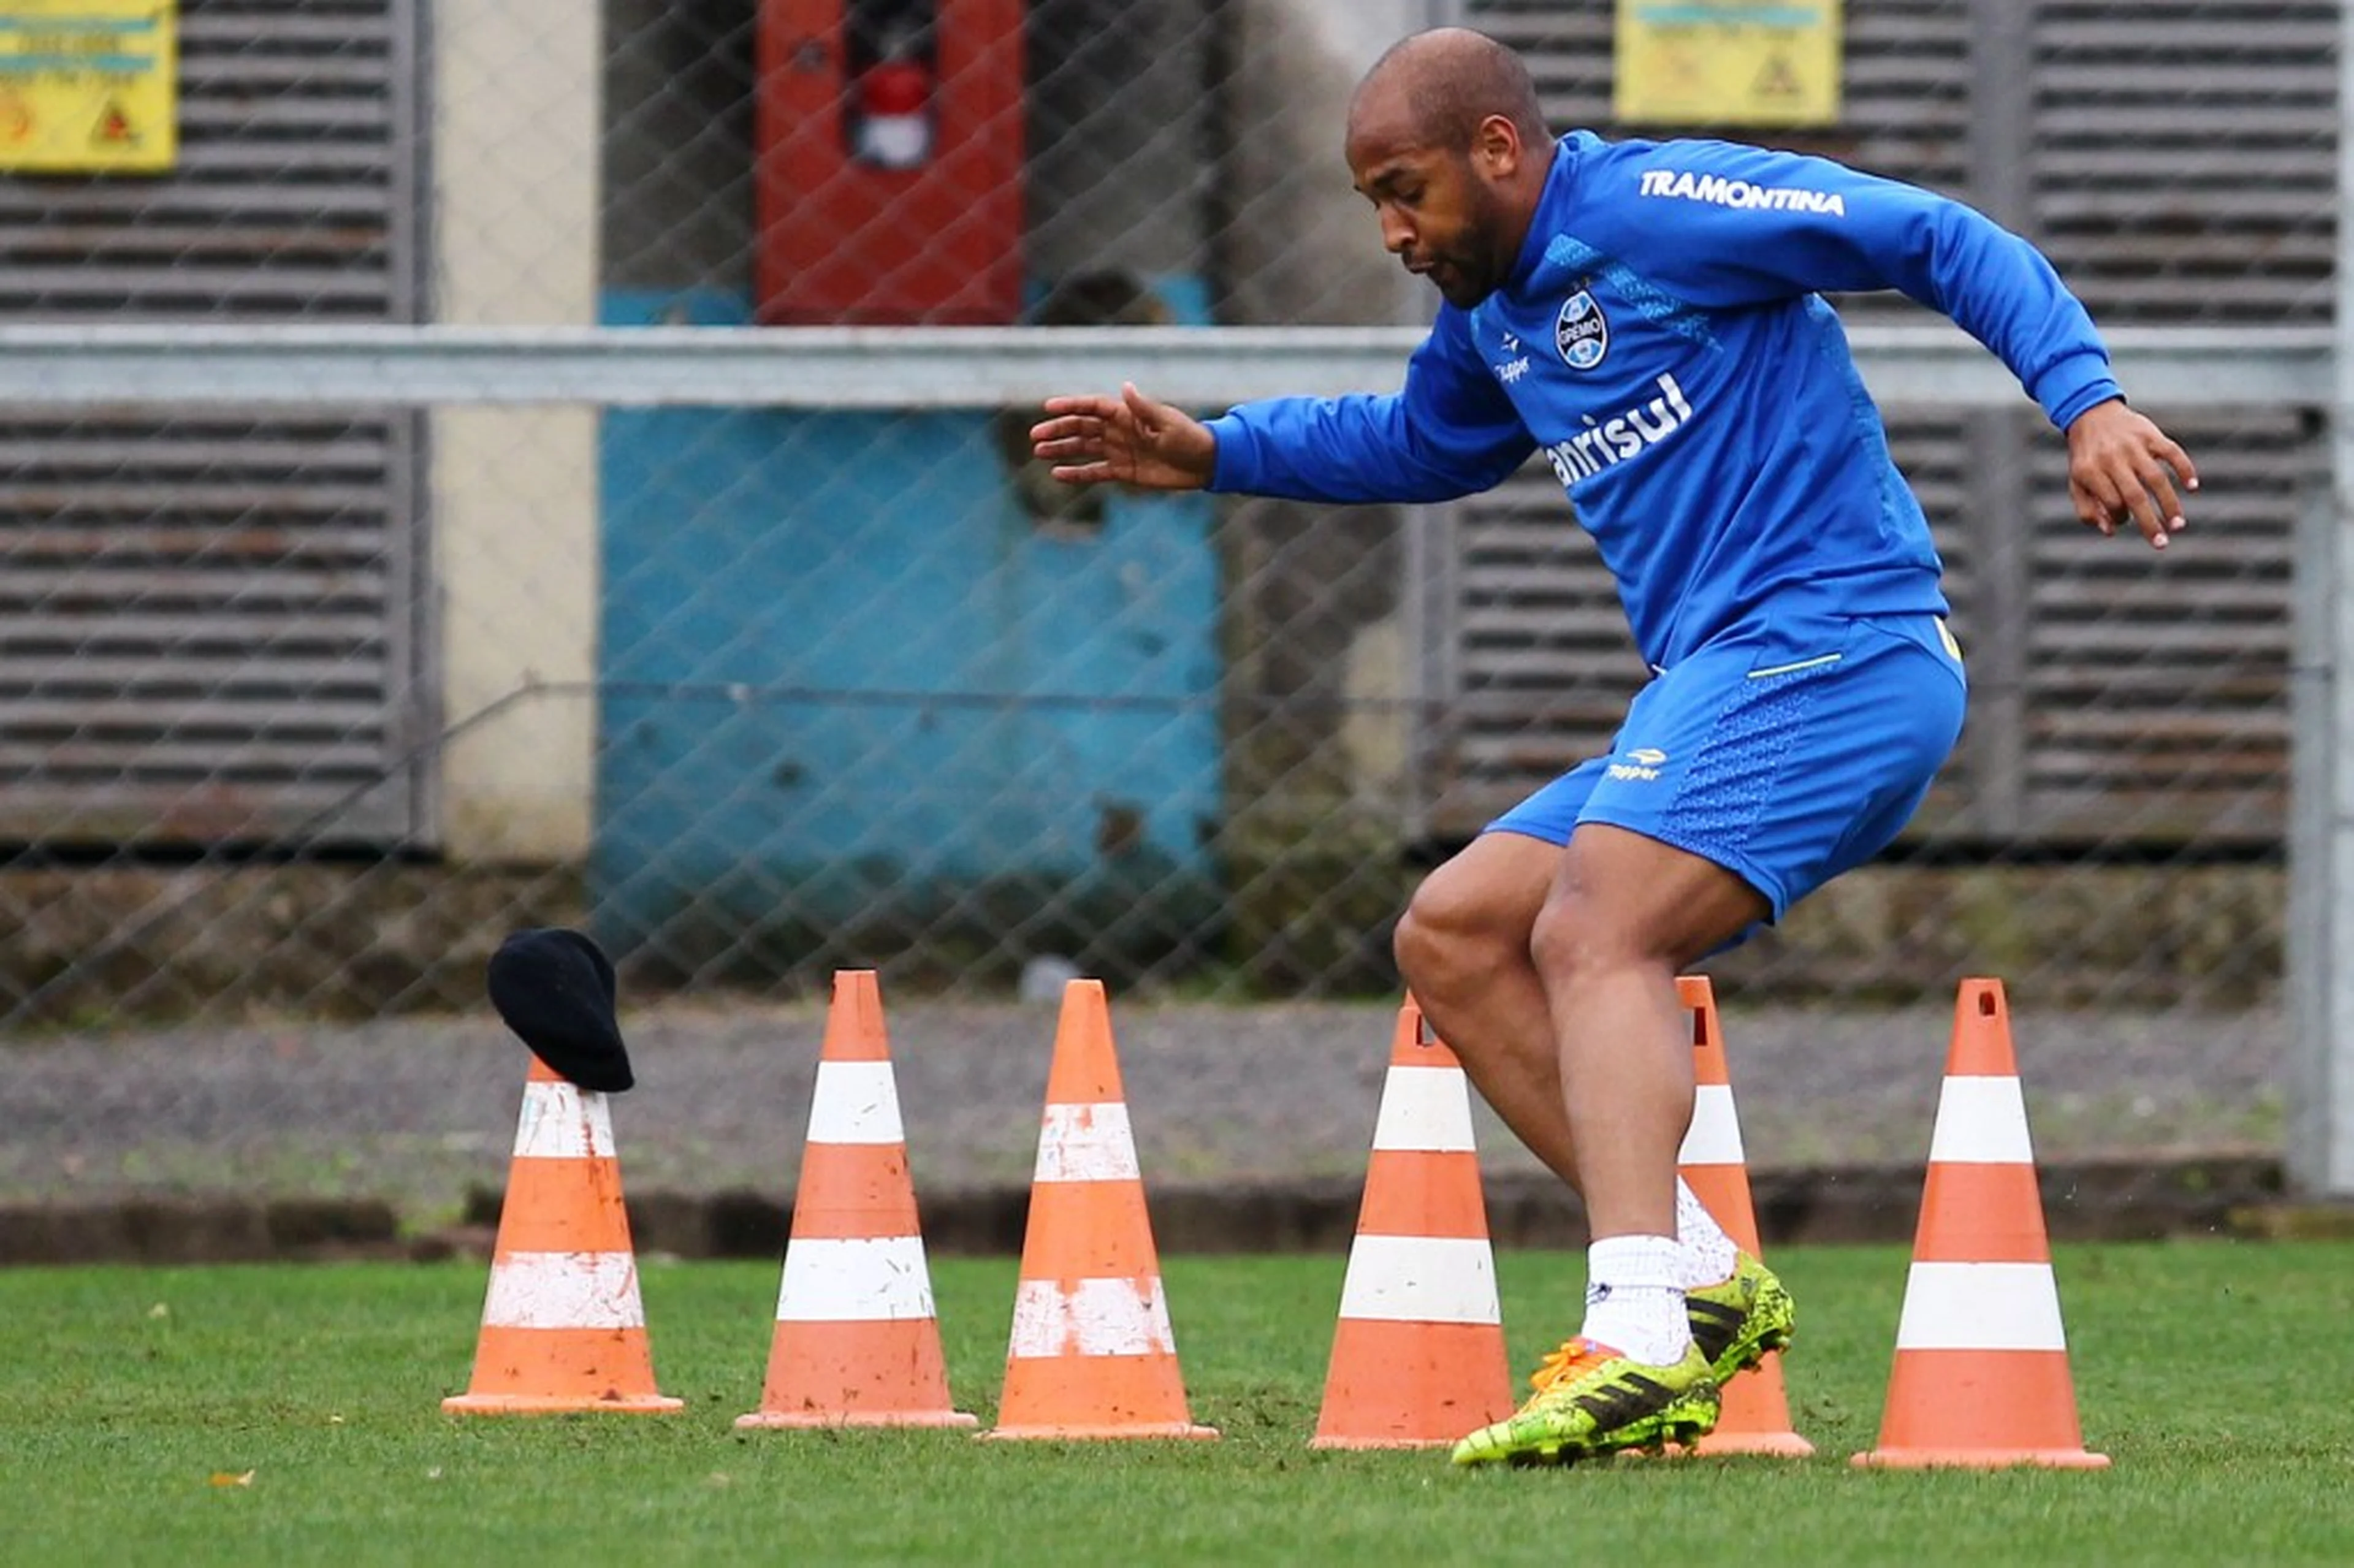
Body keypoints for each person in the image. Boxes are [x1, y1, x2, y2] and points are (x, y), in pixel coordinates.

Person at [1030, 27, 2195, 1467]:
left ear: (1500, 152)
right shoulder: (1494, 313)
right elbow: (1427, 443)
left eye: (1407, 191)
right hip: (1727, 679)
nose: (1394, 232)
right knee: (1454, 931)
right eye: (1372, 203)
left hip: (1843, 649)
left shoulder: (1659, 212)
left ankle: (1637, 1321)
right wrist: (1220, 453)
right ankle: (1699, 1275)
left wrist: (2084, 398)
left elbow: (1937, 236)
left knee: (1597, 928)